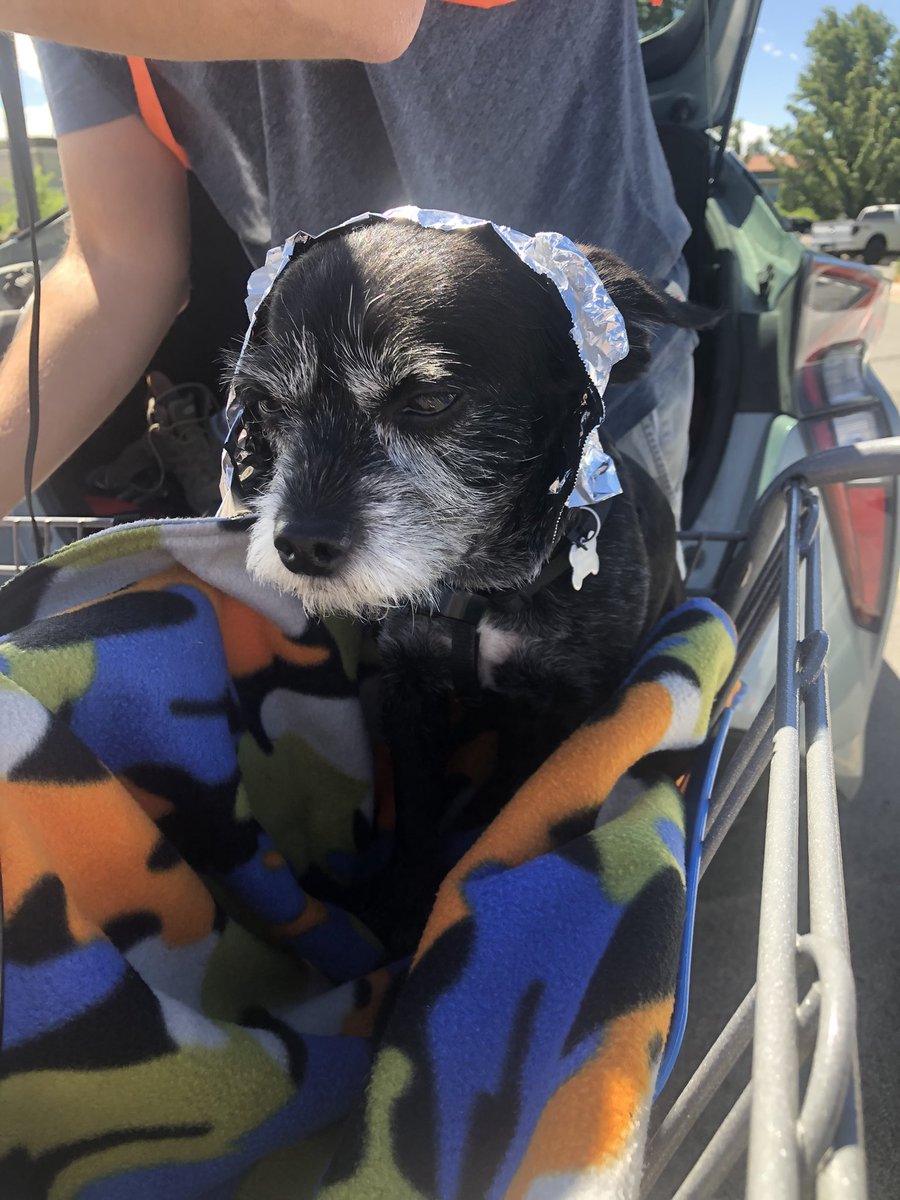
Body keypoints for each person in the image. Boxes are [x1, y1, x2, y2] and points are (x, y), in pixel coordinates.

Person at [0, 0, 695, 525]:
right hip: (326, 442)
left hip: (589, 389)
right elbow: (117, 267)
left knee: (594, 676)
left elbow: (371, 16)